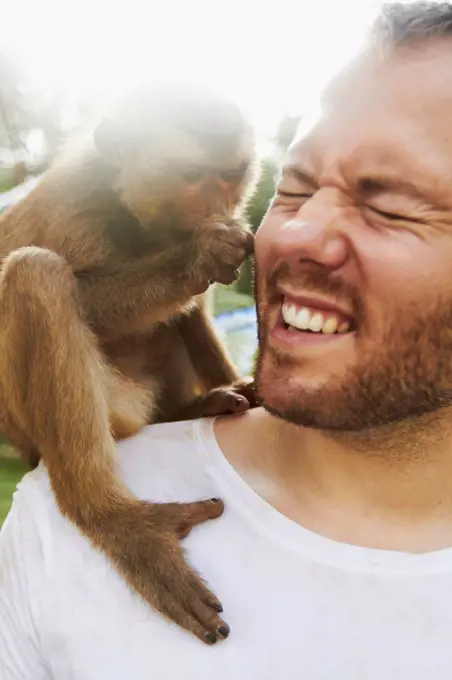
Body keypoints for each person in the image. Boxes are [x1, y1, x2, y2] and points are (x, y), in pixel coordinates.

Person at [3, 2, 452, 677]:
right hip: (58, 405)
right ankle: (105, 512)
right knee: (37, 273)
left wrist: (234, 381)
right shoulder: (71, 208)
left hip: (144, 392)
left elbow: (180, 310)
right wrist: (183, 271)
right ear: (120, 156)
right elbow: (73, 318)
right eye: (294, 189)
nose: (288, 229)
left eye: (387, 205)